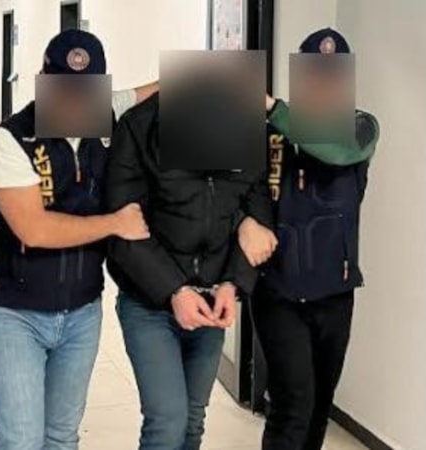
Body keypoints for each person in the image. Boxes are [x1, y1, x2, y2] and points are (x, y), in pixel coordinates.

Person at [0, 29, 158, 450]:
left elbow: (152, 91)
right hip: (16, 313)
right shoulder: (10, 138)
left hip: (82, 311)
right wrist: (115, 223)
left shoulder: (106, 113)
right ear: (43, 78)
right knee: (21, 441)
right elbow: (34, 229)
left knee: (61, 437)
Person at [105, 90, 274, 449]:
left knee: (193, 420)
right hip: (149, 303)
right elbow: (122, 227)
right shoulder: (139, 127)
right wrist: (174, 291)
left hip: (210, 301)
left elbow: (257, 218)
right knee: (167, 421)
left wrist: (232, 283)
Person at [239, 28, 381, 450]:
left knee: (319, 406)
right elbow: (240, 191)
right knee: (293, 406)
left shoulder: (360, 129)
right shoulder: (268, 133)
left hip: (335, 293)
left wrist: (272, 107)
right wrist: (245, 223)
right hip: (279, 292)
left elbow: (334, 151)